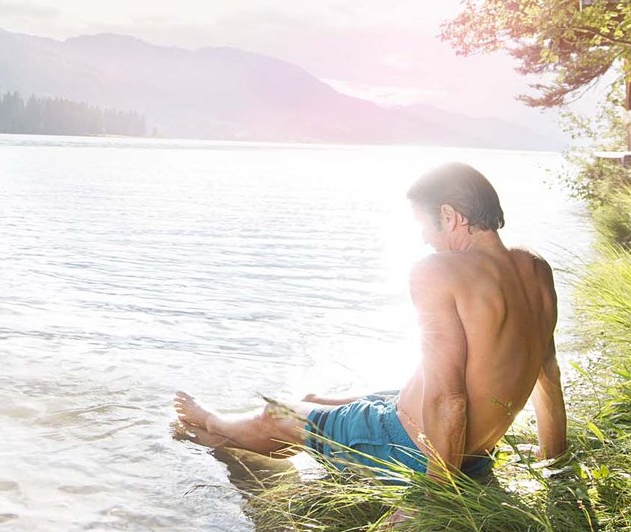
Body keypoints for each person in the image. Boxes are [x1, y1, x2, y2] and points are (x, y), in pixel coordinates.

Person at [172, 162, 567, 484]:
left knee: (278, 416)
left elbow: (450, 398)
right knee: (317, 402)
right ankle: (223, 445)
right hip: (473, 452)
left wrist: (434, 499)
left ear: (449, 216)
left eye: (424, 224)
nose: (424, 238)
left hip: (414, 449)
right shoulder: (533, 268)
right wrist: (555, 458)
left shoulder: (440, 270)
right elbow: (546, 372)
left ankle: (211, 424)